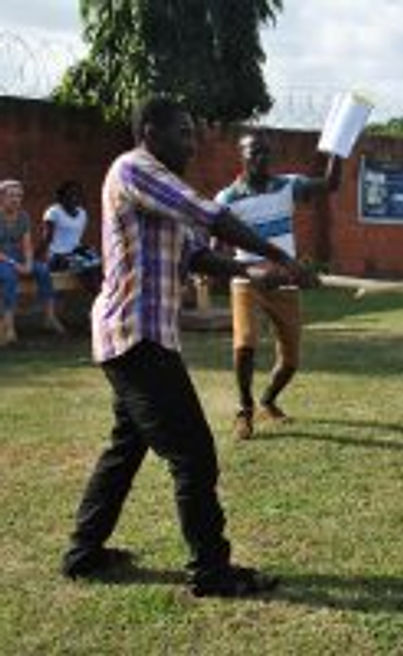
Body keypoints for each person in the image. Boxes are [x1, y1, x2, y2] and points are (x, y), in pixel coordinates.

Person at [61, 96, 307, 597]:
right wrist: (277, 252)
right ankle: (211, 572)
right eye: (183, 133)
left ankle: (83, 553)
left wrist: (252, 269)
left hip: (143, 336)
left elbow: (195, 252)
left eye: (194, 135)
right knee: (194, 455)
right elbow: (210, 215)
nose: (192, 145)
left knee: (126, 448)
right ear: (150, 131)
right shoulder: (136, 169)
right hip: (135, 336)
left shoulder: (160, 189)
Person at [214, 131, 340, 440]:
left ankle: (267, 400)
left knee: (291, 362)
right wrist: (213, 268)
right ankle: (244, 411)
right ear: (240, 157)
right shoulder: (227, 199)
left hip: (286, 282)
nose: (262, 159)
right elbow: (215, 245)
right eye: (254, 152)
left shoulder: (287, 186)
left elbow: (330, 184)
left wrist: (340, 146)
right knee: (244, 344)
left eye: (266, 153)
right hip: (248, 281)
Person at [0, 178, 65, 345]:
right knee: (9, 276)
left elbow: (27, 244)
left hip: (16, 256)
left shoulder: (23, 216)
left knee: (43, 270)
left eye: (19, 196)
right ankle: (8, 326)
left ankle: (49, 318)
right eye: (11, 196)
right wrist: (16, 265)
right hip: (2, 259)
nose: (16, 200)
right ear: (2, 197)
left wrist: (28, 263)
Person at [39, 180, 102, 293]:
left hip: (74, 252)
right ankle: (96, 293)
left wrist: (84, 249)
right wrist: (37, 258)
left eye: (76, 195)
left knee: (98, 261)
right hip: (57, 256)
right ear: (61, 197)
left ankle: (100, 292)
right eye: (70, 195)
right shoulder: (53, 212)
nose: (74, 198)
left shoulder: (82, 213)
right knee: (84, 264)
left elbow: (75, 239)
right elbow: (47, 238)